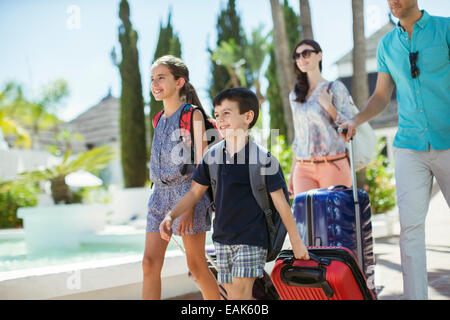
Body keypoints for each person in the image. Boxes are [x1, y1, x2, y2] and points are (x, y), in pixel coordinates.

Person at [340, 0, 450, 300]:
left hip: (448, 139)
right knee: (410, 229)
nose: (393, 1)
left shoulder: (445, 29)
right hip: (409, 146)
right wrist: (355, 119)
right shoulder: (387, 45)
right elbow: (380, 96)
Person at [160, 87, 310, 300]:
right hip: (222, 239)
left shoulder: (263, 159)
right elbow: (194, 193)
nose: (220, 119)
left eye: (227, 113)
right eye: (217, 114)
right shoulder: (212, 157)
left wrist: (296, 242)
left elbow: (282, 205)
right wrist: (171, 215)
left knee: (241, 294)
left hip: (252, 239)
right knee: (233, 296)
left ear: (248, 116)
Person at [142, 55, 220, 300]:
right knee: (149, 263)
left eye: (161, 77)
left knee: (196, 267)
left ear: (179, 82)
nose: (155, 83)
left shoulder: (192, 115)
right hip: (158, 196)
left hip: (188, 193)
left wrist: (189, 207)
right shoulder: (157, 119)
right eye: (153, 78)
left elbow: (203, 166)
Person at [287, 39, 355, 198]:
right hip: (303, 169)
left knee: (334, 220)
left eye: (306, 53)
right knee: (305, 221)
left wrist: (329, 107)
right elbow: (299, 137)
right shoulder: (295, 96)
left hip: (333, 164)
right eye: (297, 56)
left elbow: (350, 128)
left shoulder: (335, 88)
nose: (301, 59)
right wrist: (292, 172)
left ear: (319, 56)